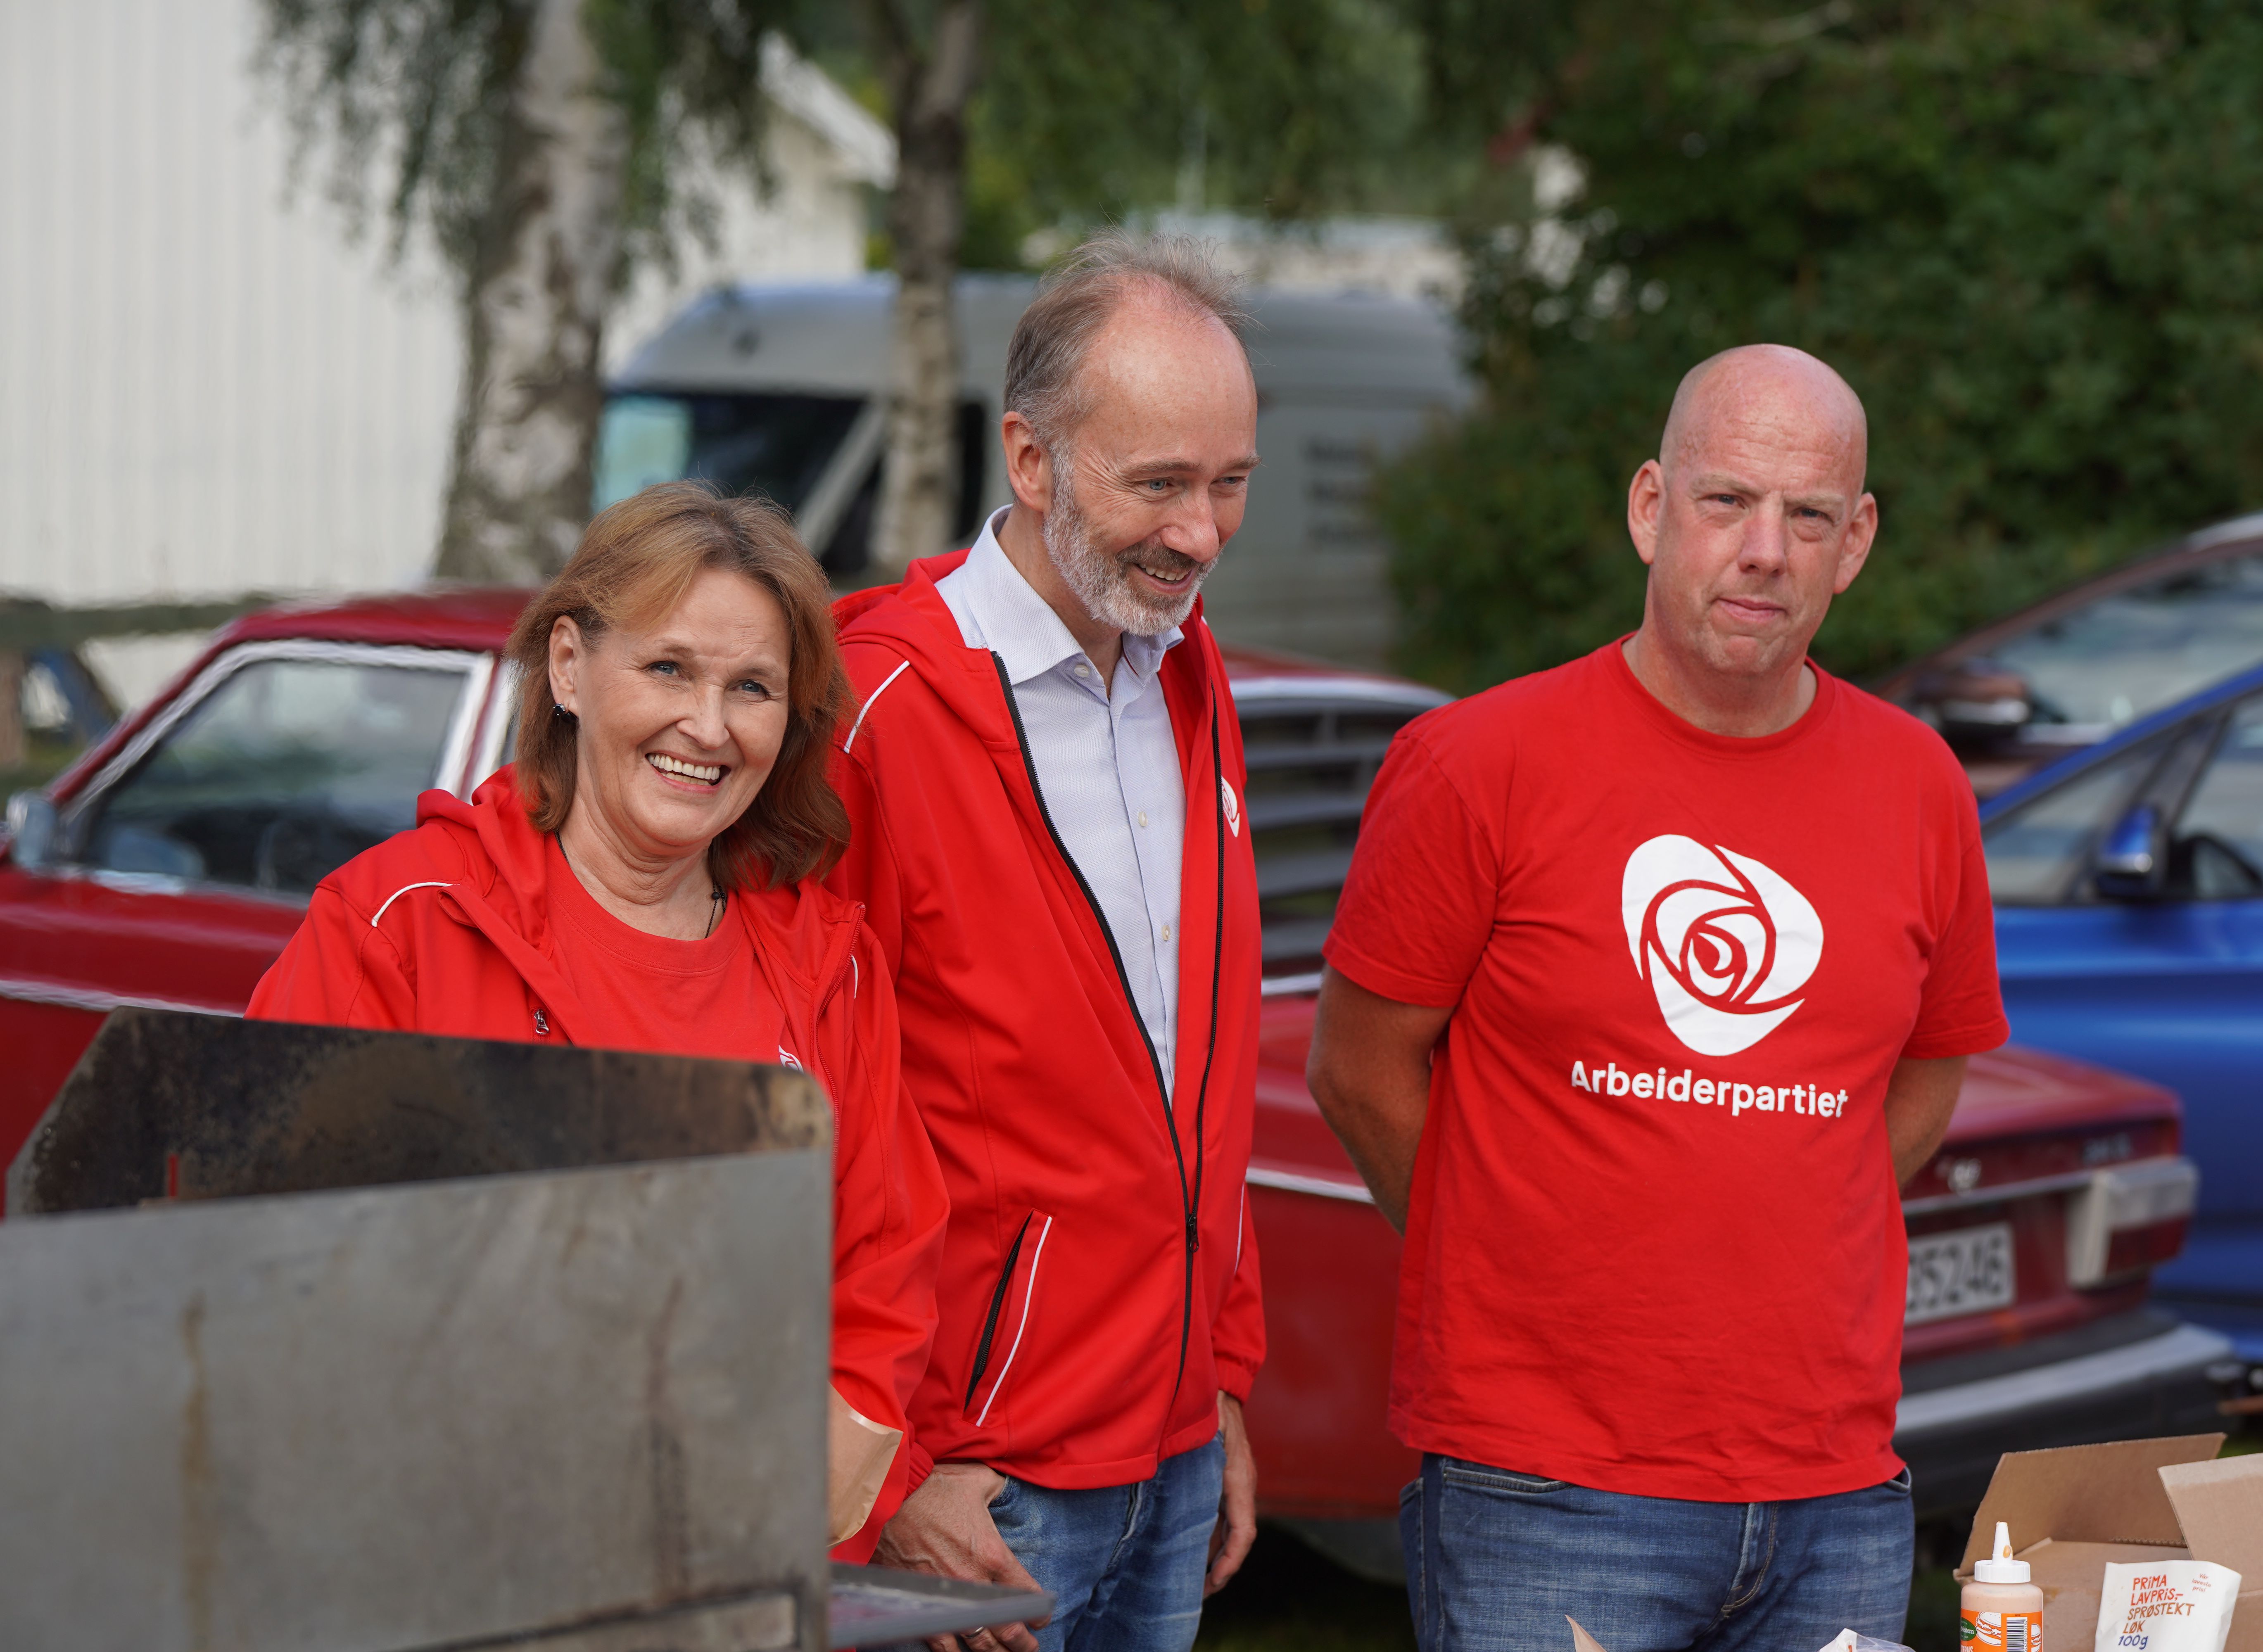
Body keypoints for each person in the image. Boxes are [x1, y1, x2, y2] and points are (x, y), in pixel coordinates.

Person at [1306, 345, 2011, 1652]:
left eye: (1809, 516)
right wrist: (1507, 1261)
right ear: (1650, 508)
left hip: (1834, 1491)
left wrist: (1789, 1210)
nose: (1765, 552)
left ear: (1856, 543)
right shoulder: (1475, 763)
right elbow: (1356, 1068)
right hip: (1546, 1488)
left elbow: (1932, 1064)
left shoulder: (1921, 785)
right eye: (1726, 501)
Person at [248, 481, 946, 1561]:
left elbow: (880, 1291)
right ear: (569, 666)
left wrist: (764, 1529)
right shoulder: (401, 927)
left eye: (752, 688)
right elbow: (270, 1265)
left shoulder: (829, 968)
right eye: (668, 668)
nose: (707, 726)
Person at [828, 234, 1265, 1652]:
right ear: (1030, 459)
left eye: (1230, 483)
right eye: (1160, 483)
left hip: (1170, 1452)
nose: (1201, 533)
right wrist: (887, 1469)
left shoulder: (1186, 669)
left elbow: (1200, 1061)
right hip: (976, 1486)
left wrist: (1219, 1376)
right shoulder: (876, 711)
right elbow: (784, 1110)